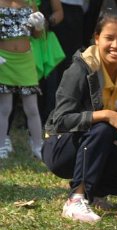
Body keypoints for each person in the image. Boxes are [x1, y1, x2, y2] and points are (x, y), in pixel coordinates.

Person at [42, 8, 117, 223]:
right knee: (103, 126)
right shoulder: (80, 69)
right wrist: (106, 114)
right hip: (61, 149)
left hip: (99, 147)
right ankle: (76, 198)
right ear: (97, 38)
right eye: (109, 38)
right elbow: (60, 120)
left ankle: (95, 190)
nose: (116, 46)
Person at [0, 0, 46, 160]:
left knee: (32, 108)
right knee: (4, 107)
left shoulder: (30, 3)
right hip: (4, 59)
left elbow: (37, 35)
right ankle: (0, 146)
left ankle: (38, 146)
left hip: (25, 60)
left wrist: (39, 26)